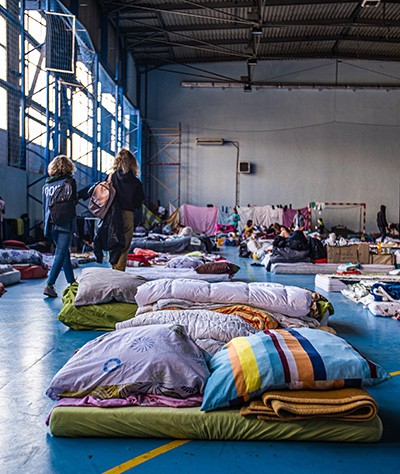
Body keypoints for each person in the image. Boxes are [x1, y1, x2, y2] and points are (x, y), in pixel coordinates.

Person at [42, 155, 77, 298]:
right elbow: (72, 203)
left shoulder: (46, 185)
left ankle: (72, 283)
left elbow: (44, 206)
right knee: (60, 253)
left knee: (64, 254)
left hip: (49, 224)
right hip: (63, 224)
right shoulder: (69, 182)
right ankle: (49, 285)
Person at [110, 148, 144, 271]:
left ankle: (114, 267)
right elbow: (138, 203)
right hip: (127, 214)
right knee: (124, 245)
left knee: (113, 241)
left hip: (111, 214)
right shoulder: (136, 182)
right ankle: (119, 271)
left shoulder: (111, 178)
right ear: (132, 163)